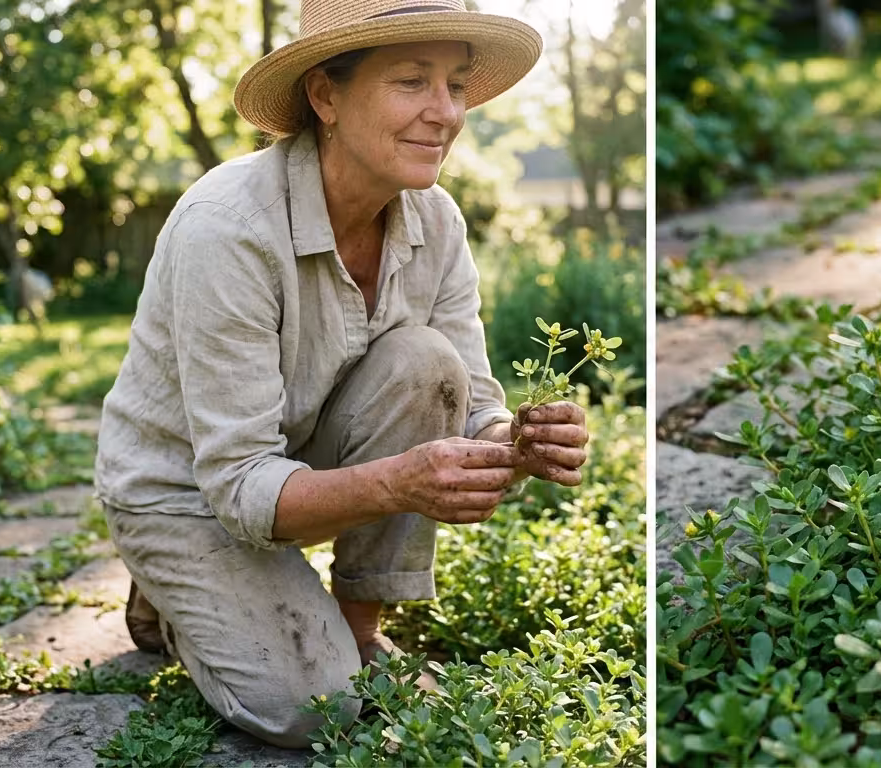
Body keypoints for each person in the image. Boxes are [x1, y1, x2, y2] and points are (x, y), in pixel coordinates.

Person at [94, 0, 588, 748]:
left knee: (428, 361)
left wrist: (513, 442)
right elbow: (235, 482)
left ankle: (359, 629)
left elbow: (469, 400)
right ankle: (174, 596)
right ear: (325, 96)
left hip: (294, 456)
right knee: (309, 707)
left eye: (455, 84)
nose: (445, 112)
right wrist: (400, 481)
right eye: (412, 81)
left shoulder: (437, 221)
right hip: (186, 490)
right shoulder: (227, 229)